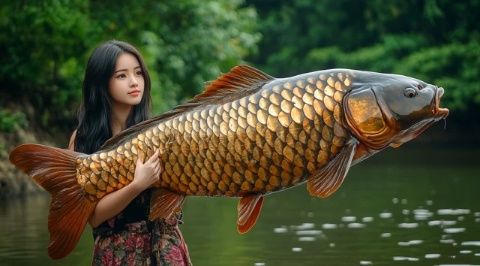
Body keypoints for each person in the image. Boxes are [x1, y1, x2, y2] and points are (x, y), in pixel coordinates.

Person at [68, 40, 191, 266]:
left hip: (167, 251)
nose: (134, 82)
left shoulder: (160, 132)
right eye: (121, 76)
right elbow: (93, 217)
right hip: (118, 253)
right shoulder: (83, 139)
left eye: (138, 73)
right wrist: (137, 185)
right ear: (102, 82)